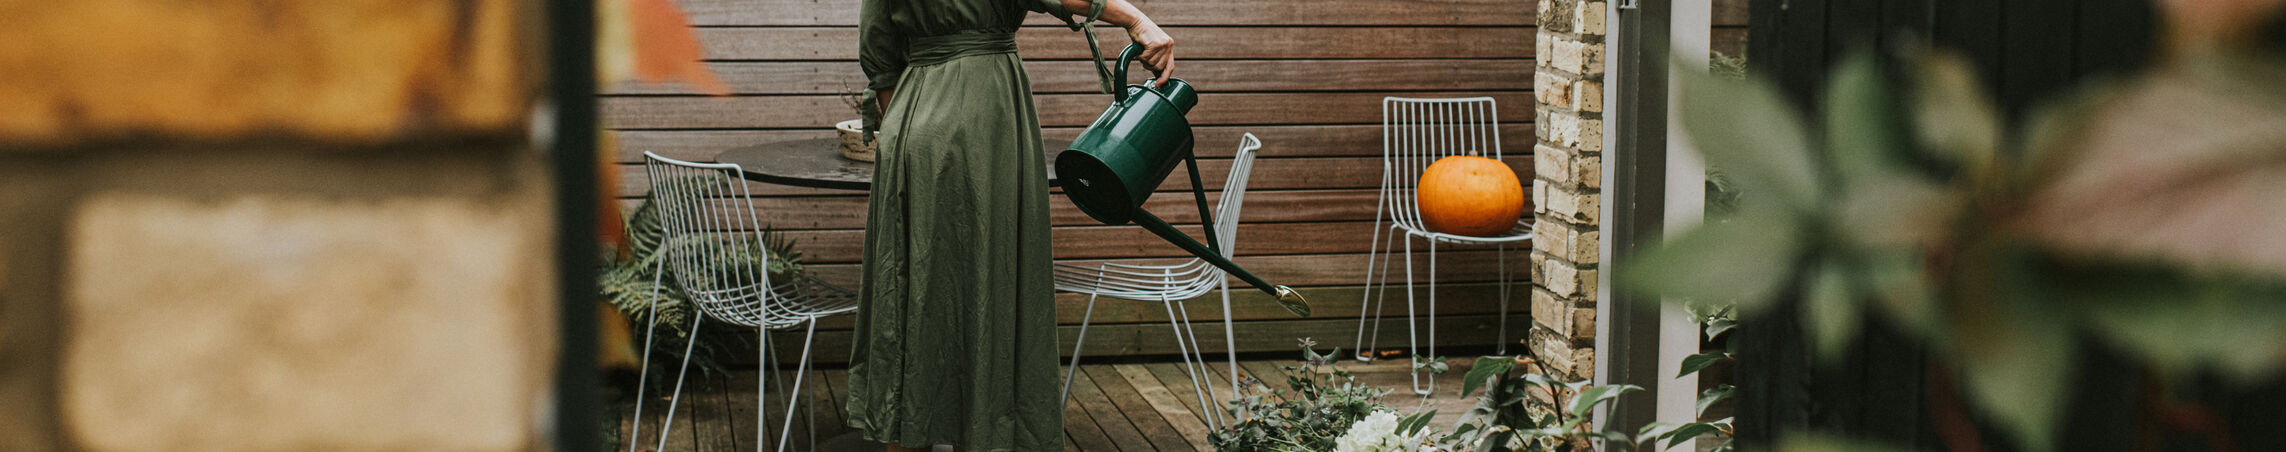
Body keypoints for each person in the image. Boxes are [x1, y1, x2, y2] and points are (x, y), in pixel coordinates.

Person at [844, 0, 1173, 450]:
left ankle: (909, 425)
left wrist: (909, 125)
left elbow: (879, 53)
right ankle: (984, 425)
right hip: (987, 119)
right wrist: (1136, 19)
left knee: (913, 287)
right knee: (989, 279)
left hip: (913, 123)